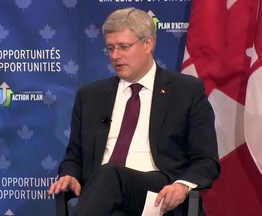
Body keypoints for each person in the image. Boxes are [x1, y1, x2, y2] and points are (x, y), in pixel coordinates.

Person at [48, 7, 220, 215]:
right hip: (103, 196)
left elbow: (206, 160)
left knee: (110, 173)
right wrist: (70, 175)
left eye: (123, 47)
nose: (115, 56)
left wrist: (182, 185)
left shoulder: (186, 91)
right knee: (110, 190)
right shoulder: (90, 96)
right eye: (110, 48)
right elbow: (73, 157)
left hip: (157, 194)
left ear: (148, 44)